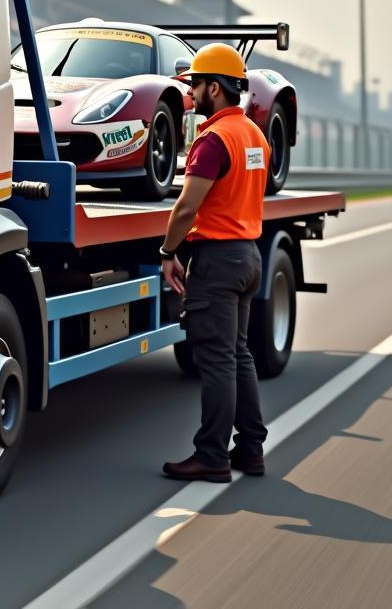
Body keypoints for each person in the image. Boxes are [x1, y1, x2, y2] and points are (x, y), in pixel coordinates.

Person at [159, 43, 271, 483]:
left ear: (215, 87)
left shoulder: (213, 139)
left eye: (196, 85)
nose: (191, 94)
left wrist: (168, 252)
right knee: (238, 354)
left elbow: (187, 208)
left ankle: (211, 456)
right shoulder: (254, 136)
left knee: (218, 359)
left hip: (218, 260)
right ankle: (250, 448)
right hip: (248, 255)